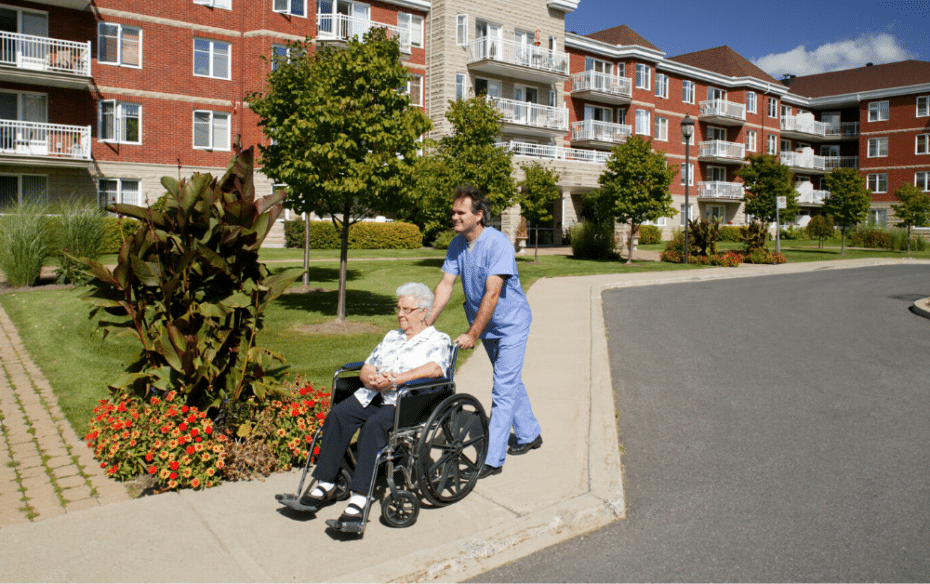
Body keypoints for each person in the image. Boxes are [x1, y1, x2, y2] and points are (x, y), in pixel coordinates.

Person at [301, 282, 451, 533]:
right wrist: (370, 377)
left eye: (407, 309)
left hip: (405, 402)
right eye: (399, 308)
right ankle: (325, 481)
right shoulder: (392, 336)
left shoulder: (437, 339)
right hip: (374, 395)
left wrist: (395, 379)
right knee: (339, 414)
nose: (400, 314)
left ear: (424, 311)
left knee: (373, 427)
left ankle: (360, 498)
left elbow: (434, 369)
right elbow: (368, 365)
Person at [427, 185, 542, 479]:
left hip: (511, 323)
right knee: (510, 379)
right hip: (487, 324)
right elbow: (445, 286)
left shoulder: (498, 243)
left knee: (502, 386)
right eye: (453, 212)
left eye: (460, 212)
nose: (454, 217)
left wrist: (472, 333)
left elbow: (492, 294)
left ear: (478, 215)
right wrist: (425, 323)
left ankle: (492, 459)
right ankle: (530, 434)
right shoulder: (457, 244)